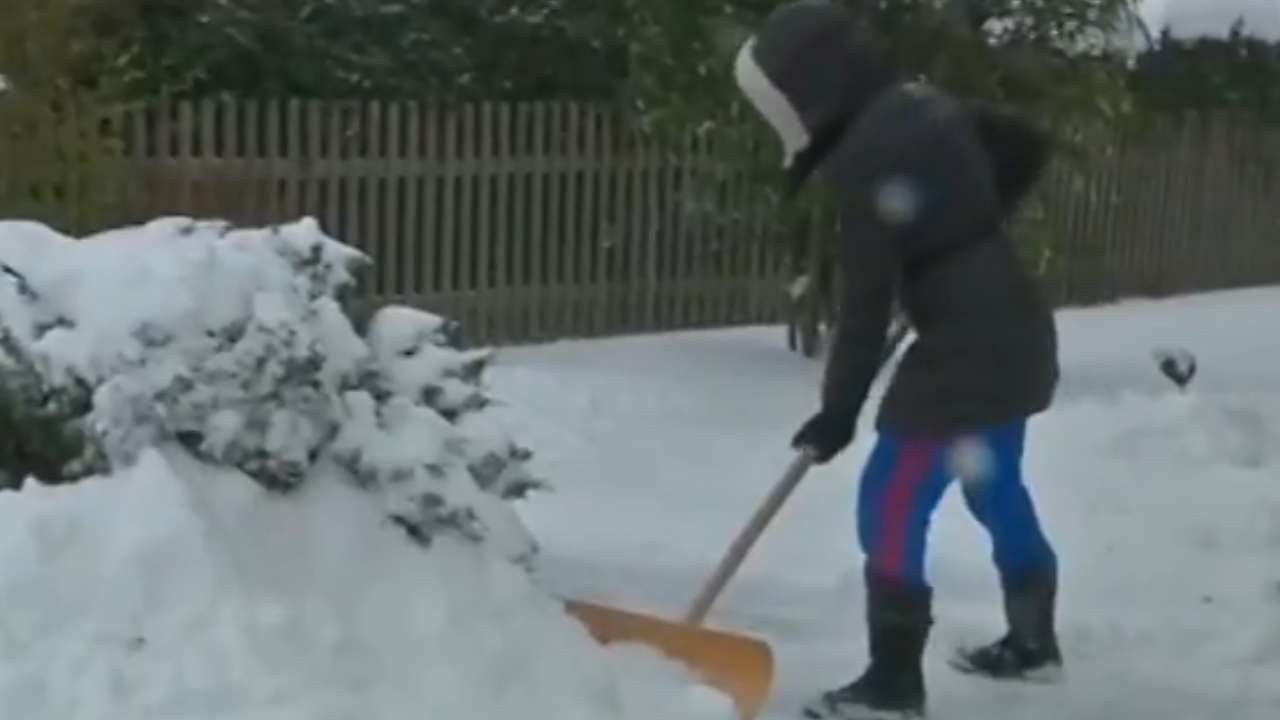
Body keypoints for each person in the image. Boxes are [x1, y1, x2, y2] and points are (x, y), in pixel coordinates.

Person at [731, 2, 1064, 718]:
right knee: (992, 483)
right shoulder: (920, 105)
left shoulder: (866, 159)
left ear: (806, 89)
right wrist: (962, 229)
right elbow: (1026, 143)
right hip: (1015, 329)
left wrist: (838, 414)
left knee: (890, 501)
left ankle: (891, 685)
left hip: (965, 351)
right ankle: (1034, 644)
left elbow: (862, 309)